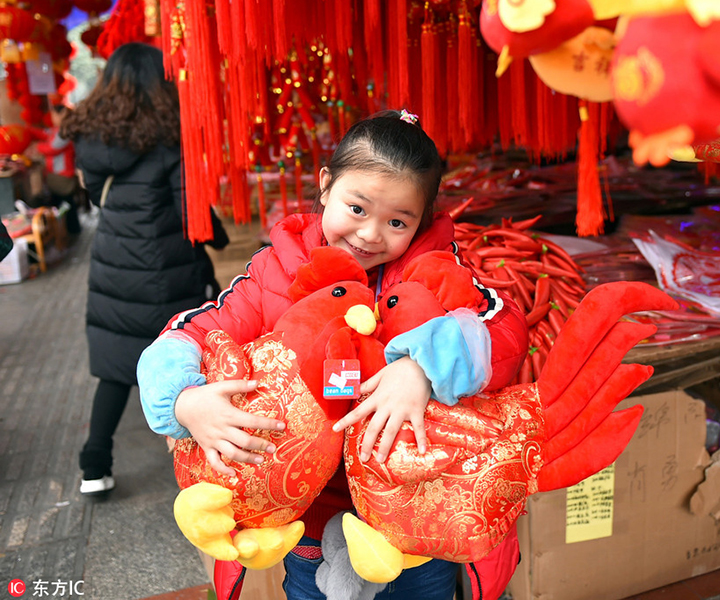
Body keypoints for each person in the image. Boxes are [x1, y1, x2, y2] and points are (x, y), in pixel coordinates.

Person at [137, 109, 528, 600]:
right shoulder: (275, 272)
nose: (370, 234)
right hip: (315, 525)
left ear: (421, 221)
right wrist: (182, 402)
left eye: (397, 221)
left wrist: (423, 366)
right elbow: (188, 333)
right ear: (326, 186)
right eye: (357, 208)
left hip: (416, 520)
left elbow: (504, 326)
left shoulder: (436, 271)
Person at [60, 42, 229, 498]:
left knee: (114, 368)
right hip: (166, 268)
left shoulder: (92, 136)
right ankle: (206, 461)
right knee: (186, 356)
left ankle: (94, 467)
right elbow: (188, 210)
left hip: (114, 260)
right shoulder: (169, 137)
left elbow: (97, 196)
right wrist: (218, 235)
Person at [36, 103, 81, 234]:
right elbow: (46, 135)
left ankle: (70, 232)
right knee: (64, 204)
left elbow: (53, 147)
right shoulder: (58, 129)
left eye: (54, 115)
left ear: (62, 114)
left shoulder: (64, 130)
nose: (52, 118)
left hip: (63, 174)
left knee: (66, 204)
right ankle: (67, 233)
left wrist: (37, 147)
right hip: (60, 174)